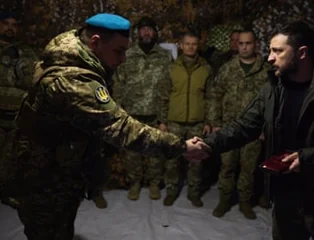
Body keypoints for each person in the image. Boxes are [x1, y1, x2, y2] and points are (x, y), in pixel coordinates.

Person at [12, 13, 209, 240]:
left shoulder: (76, 51)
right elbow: (122, 128)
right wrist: (181, 147)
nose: (124, 58)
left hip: (57, 168)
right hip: (43, 178)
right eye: (118, 51)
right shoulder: (72, 81)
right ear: (95, 42)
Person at [201, 21, 314, 240]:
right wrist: (208, 144)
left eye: (278, 51)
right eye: (270, 50)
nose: (270, 57)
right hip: (286, 196)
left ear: (302, 53)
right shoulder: (274, 88)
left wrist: (308, 158)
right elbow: (244, 126)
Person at [208, 29, 270, 219]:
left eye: (248, 43)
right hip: (229, 128)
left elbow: (272, 101)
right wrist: (215, 123)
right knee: (227, 166)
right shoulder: (227, 68)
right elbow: (215, 95)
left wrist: (265, 129)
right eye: (241, 44)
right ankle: (224, 200)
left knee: (248, 168)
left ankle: (245, 202)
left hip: (253, 131)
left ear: (256, 45)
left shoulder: (266, 71)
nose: (244, 47)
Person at [113, 16, 173, 201]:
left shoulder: (165, 57)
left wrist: (164, 118)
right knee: (133, 152)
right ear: (137, 32)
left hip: (156, 112)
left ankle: (154, 183)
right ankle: (135, 183)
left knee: (155, 151)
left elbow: (169, 87)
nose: (146, 32)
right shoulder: (127, 55)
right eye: (143, 29)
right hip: (132, 112)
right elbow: (118, 83)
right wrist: (118, 111)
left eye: (150, 29)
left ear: (155, 32)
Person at [159, 31, 213, 207]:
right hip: (174, 121)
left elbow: (211, 96)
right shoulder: (171, 68)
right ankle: (171, 191)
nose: (191, 47)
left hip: (197, 122)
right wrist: (162, 121)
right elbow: (163, 95)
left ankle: (194, 193)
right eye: (187, 44)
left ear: (198, 45)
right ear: (180, 45)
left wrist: (209, 121)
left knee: (196, 160)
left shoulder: (206, 69)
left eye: (194, 44)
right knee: (172, 160)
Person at [0, 11, 38, 209]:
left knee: (15, 156)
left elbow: (36, 80)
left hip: (16, 115)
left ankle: (9, 192)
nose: (9, 28)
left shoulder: (26, 52)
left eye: (14, 25)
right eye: (5, 23)